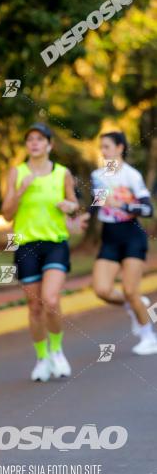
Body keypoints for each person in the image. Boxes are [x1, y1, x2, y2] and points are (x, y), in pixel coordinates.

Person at [1, 122, 79, 382]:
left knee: (51, 300)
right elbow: (7, 213)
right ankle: (42, 358)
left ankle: (57, 351)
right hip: (26, 246)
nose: (34, 143)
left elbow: (74, 204)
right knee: (34, 306)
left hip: (55, 243)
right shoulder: (17, 172)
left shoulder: (62, 173)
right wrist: (22, 189)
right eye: (30, 139)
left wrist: (69, 206)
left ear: (49, 144)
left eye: (39, 139)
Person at [90, 131, 157, 355]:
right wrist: (78, 216)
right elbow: (96, 203)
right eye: (102, 147)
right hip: (110, 236)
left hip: (132, 236)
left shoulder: (132, 176)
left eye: (107, 146)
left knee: (130, 289)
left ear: (120, 148)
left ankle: (149, 336)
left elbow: (148, 209)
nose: (103, 151)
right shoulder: (98, 175)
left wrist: (123, 205)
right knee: (102, 290)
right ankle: (134, 305)